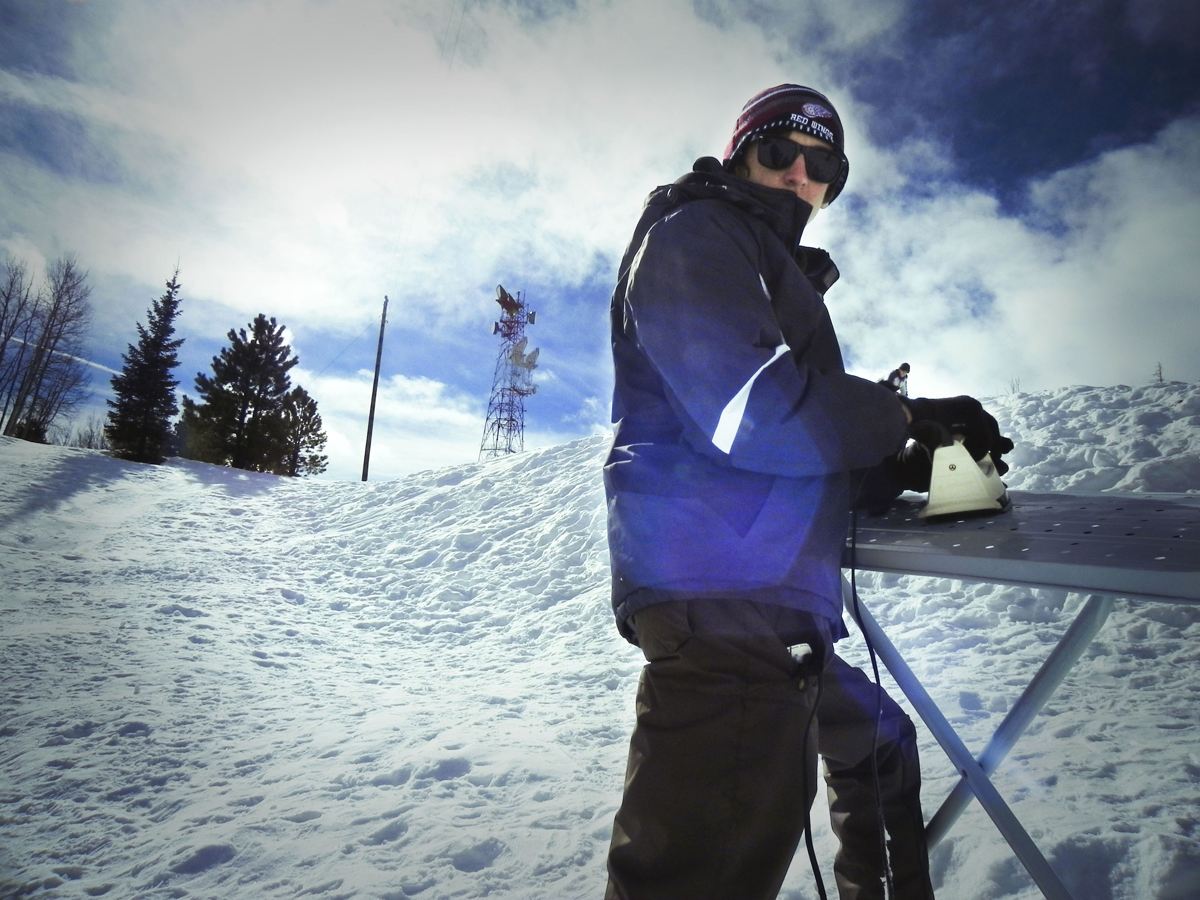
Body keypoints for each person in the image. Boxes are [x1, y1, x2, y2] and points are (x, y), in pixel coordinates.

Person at [603, 84, 1012, 899]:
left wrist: (909, 461)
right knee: (696, 879)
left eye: (821, 162)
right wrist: (896, 413)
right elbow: (749, 412)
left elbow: (789, 449)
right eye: (779, 151)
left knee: (879, 737)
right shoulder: (698, 233)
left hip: (763, 603)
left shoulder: (769, 268)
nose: (799, 173)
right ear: (739, 154)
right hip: (724, 605)